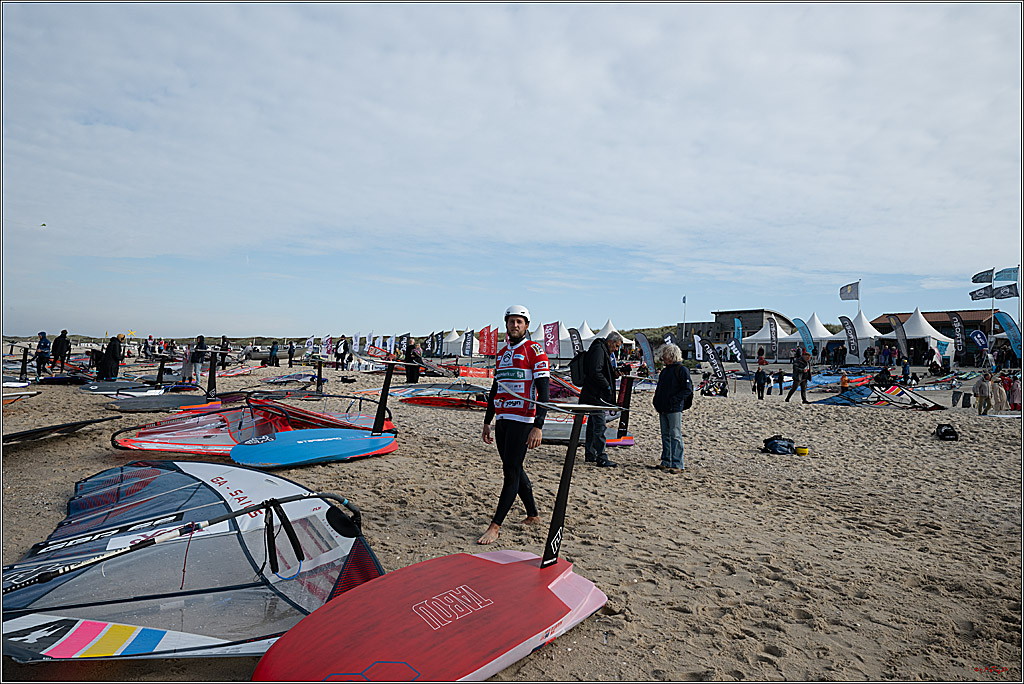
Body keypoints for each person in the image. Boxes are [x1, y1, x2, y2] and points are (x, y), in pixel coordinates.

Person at [478, 305, 549, 545]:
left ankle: (495, 526)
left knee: (511, 471)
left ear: (527, 326)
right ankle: (533, 514)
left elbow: (544, 393)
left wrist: (538, 425)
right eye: (511, 322)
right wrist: (488, 421)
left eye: (520, 322)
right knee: (514, 467)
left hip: (524, 420)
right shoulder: (502, 353)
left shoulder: (534, 350)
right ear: (506, 325)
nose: (515, 325)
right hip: (504, 420)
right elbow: (495, 389)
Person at [579, 331, 624, 467]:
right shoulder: (599, 350)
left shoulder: (601, 350)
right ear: (610, 342)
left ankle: (591, 453)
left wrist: (614, 374)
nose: (616, 350)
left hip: (594, 394)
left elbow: (600, 371)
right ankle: (601, 456)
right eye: (616, 346)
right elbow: (595, 372)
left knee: (593, 424)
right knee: (599, 425)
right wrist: (607, 386)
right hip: (595, 395)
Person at [653, 343, 692, 473]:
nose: (662, 357)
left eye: (664, 354)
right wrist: (656, 401)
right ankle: (666, 461)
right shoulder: (665, 371)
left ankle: (677, 463)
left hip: (674, 408)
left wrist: (674, 400)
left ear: (671, 355)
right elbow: (660, 388)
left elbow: (687, 390)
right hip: (663, 407)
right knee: (666, 435)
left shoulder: (682, 370)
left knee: (675, 435)